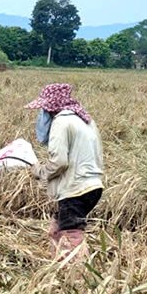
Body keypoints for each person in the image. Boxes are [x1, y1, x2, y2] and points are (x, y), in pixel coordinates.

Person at [25, 83, 104, 260]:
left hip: (75, 188)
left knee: (71, 236)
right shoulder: (85, 120)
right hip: (93, 186)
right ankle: (57, 269)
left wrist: (40, 171)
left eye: (44, 109)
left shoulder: (61, 122)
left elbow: (59, 162)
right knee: (55, 231)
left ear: (51, 108)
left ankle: (77, 276)